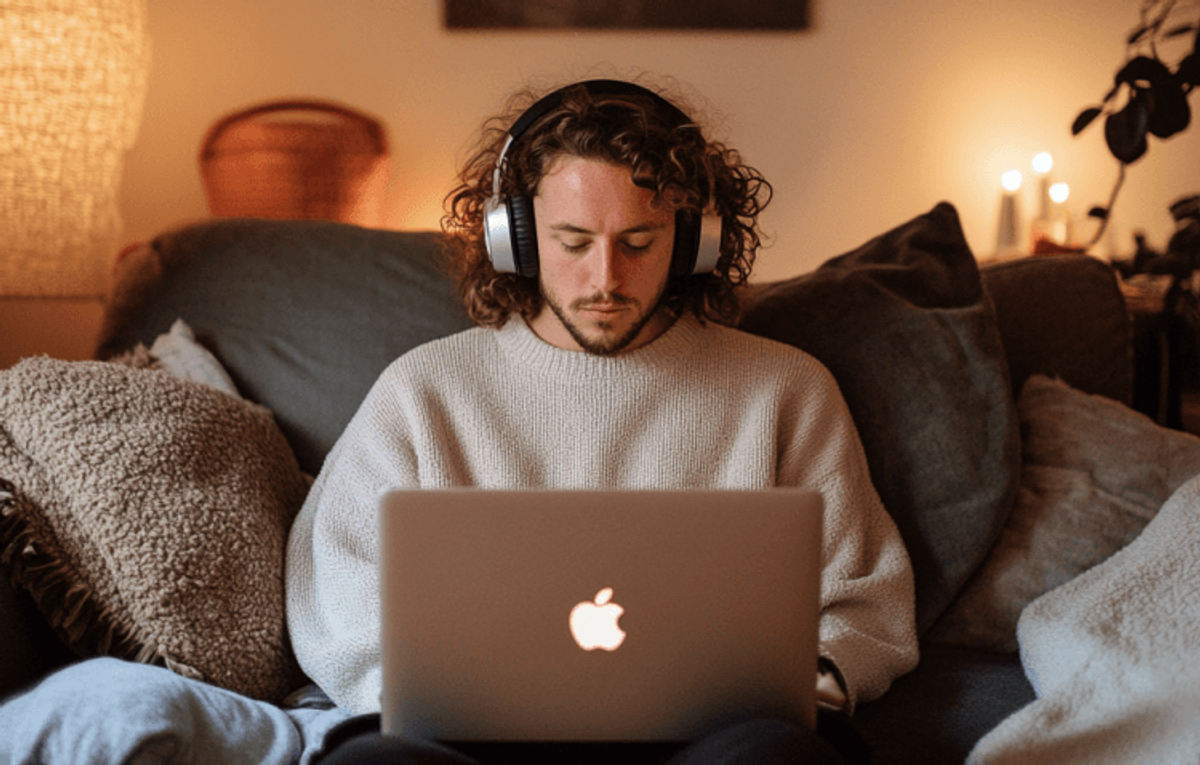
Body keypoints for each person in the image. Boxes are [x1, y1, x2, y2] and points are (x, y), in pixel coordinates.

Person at [285, 77, 918, 765]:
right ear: (514, 240)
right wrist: (406, 695)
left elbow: (864, 596)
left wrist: (818, 682)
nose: (606, 278)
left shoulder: (787, 389)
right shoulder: (423, 390)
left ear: (695, 241)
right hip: (474, 740)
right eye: (573, 241)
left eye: (639, 241)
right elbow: (336, 585)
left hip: (712, 741)